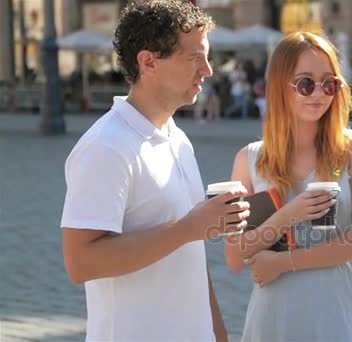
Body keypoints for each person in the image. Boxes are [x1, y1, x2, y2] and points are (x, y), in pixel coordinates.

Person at [60, 1, 249, 341]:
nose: (207, 70)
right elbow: (81, 261)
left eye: (206, 57)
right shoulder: (106, 146)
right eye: (194, 57)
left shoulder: (178, 139)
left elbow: (193, 260)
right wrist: (189, 228)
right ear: (148, 62)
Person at [225, 32, 352, 341]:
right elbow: (236, 257)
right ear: (279, 86)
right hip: (277, 315)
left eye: (329, 83)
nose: (319, 94)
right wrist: (288, 214)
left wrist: (284, 262)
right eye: (306, 83)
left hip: (345, 309)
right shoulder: (248, 159)